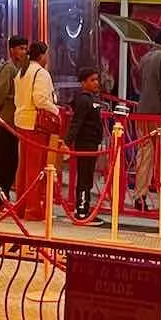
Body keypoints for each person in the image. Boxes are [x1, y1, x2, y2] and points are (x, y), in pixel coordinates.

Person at [13, 38, 62, 215]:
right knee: (36, 167)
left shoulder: (22, 72)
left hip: (21, 121)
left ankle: (21, 206)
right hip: (35, 123)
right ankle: (33, 208)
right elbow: (40, 99)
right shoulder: (41, 73)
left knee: (24, 166)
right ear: (42, 55)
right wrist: (56, 110)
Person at [132, 28, 161, 211]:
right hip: (159, 114)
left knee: (145, 153)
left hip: (143, 111)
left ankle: (139, 195)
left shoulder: (145, 57)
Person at [0, 33, 29, 205]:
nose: (24, 52)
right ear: (12, 50)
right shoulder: (9, 68)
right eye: (21, 48)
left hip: (15, 121)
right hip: (6, 119)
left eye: (25, 48)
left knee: (12, 160)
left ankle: (3, 193)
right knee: (3, 158)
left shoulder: (23, 68)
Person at [67, 65, 105, 218]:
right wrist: (67, 142)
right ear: (83, 83)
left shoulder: (90, 99)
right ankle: (82, 210)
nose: (96, 83)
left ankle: (84, 207)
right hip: (85, 143)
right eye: (92, 80)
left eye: (97, 80)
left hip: (91, 143)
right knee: (84, 177)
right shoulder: (84, 100)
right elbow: (77, 122)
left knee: (87, 177)